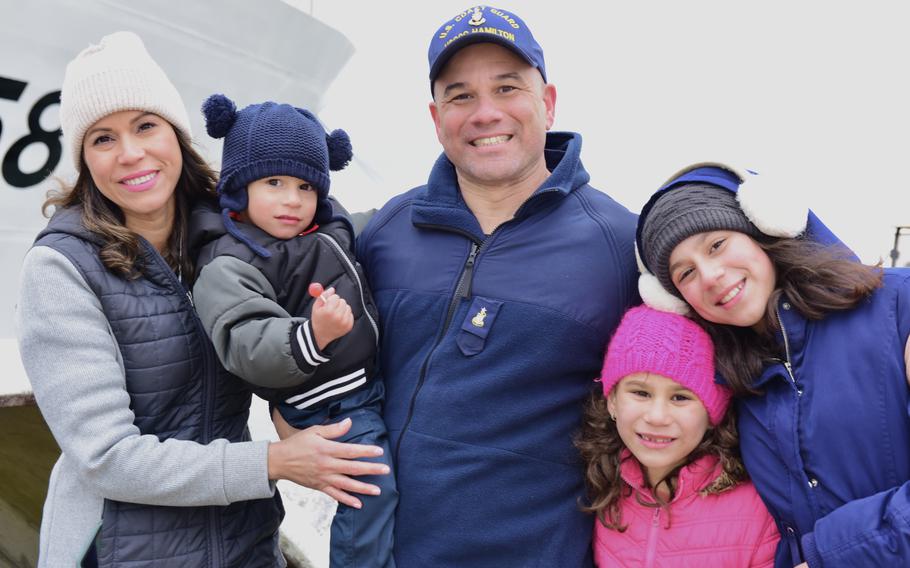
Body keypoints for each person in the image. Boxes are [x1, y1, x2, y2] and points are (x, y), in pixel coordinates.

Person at [16, 31, 387, 567]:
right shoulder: (61, 269)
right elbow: (105, 458)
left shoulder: (236, 236)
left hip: (245, 541)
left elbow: (281, 331)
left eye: (146, 125)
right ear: (84, 159)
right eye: (102, 138)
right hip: (126, 549)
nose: (131, 153)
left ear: (177, 135)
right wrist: (272, 462)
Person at [355, 6, 639, 566]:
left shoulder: (619, 245)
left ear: (548, 102)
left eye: (507, 88)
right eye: (461, 96)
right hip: (379, 553)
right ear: (436, 117)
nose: (485, 113)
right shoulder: (387, 229)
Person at [635, 161, 910, 567]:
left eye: (716, 245)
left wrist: (826, 557)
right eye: (685, 273)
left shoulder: (899, 307)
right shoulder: (731, 380)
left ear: (765, 229)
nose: (710, 276)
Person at [190, 94, 396, 568]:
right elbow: (244, 342)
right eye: (274, 182)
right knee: (371, 489)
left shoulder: (325, 230)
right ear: (239, 188)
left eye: (306, 187)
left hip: (364, 386)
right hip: (326, 404)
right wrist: (313, 334)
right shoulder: (230, 261)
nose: (292, 200)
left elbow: (373, 224)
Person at [576, 304, 779, 566]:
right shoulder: (601, 487)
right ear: (612, 401)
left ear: (711, 413)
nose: (657, 417)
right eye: (640, 393)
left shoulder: (758, 510)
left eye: (680, 397)